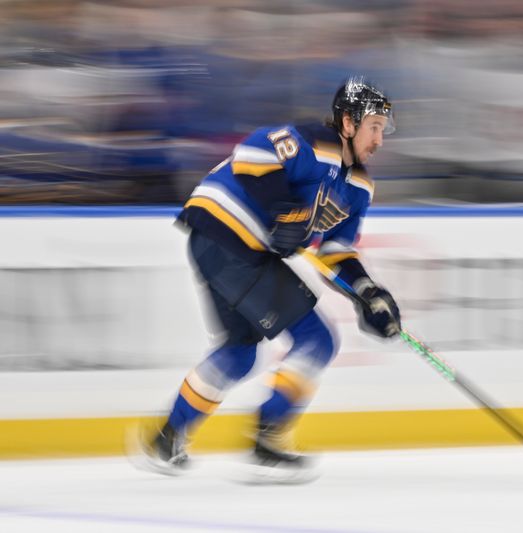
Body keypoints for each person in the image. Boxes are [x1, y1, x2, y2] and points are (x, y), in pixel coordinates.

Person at [131, 76, 401, 483]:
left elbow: (335, 252)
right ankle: (267, 442)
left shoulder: (359, 187)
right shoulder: (313, 142)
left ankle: (166, 439)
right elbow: (252, 153)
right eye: (374, 127)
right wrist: (286, 210)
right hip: (230, 237)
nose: (379, 139)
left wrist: (367, 291)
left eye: (383, 129)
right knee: (317, 339)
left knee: (239, 351)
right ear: (348, 122)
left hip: (220, 245)